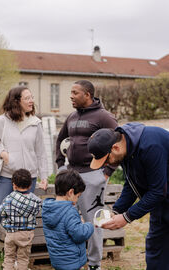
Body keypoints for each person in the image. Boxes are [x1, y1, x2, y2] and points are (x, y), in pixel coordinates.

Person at [0, 86, 48, 270]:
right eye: (27, 98)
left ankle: (17, 262)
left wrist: (44, 176)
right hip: (6, 177)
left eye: (32, 97)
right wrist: (2, 153)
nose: (31, 101)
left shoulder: (36, 122)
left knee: (24, 221)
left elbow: (41, 153)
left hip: (30, 178)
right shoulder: (1, 121)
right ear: (16, 101)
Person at [87, 123, 169, 270]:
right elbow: (131, 184)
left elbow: (157, 191)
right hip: (161, 205)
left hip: (161, 196)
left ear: (115, 148)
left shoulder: (151, 145)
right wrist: (116, 211)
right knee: (155, 251)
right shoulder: (126, 150)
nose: (106, 165)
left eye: (106, 160)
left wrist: (127, 217)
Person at [55, 80, 117, 270]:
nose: (71, 96)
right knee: (69, 219)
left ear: (88, 94)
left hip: (93, 175)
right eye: (71, 92)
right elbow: (60, 139)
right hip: (71, 174)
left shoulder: (104, 117)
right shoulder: (72, 116)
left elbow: (118, 143)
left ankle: (94, 264)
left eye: (75, 93)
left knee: (92, 221)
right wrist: (60, 165)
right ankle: (75, 260)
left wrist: (107, 172)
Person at [42, 169, 94, 270]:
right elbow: (79, 234)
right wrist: (88, 226)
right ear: (70, 192)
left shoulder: (48, 209)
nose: (77, 200)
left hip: (57, 261)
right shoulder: (69, 211)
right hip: (72, 261)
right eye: (78, 196)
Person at [0, 169, 42, 270]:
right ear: (30, 185)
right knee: (23, 258)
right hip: (26, 234)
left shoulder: (9, 199)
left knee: (9, 258)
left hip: (11, 233)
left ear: (14, 185)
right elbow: (36, 211)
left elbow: (1, 212)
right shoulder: (35, 201)